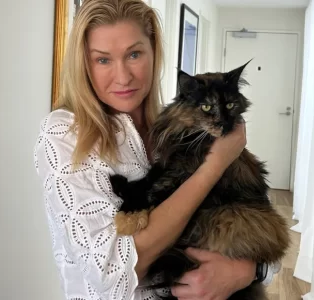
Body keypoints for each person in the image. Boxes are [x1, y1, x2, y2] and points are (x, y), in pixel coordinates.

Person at [34, 0, 279, 299]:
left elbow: (260, 222)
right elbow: (112, 275)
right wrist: (214, 165)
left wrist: (247, 271)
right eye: (103, 60)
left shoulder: (178, 125)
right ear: (83, 63)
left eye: (134, 54)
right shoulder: (65, 133)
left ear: (154, 52)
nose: (123, 77)